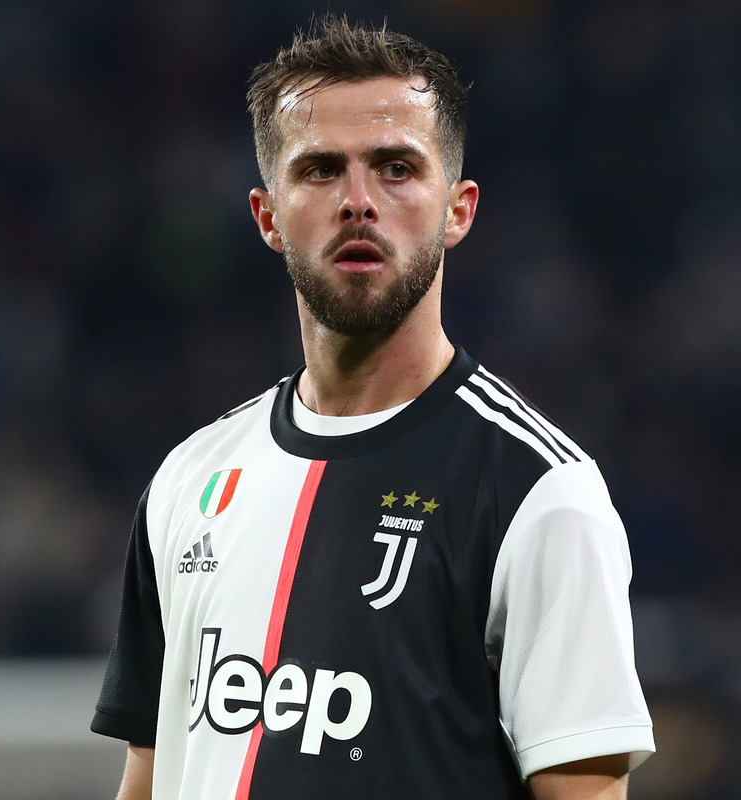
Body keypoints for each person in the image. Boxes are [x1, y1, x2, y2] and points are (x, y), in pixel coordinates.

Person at [90, 15, 654, 800]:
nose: (359, 201)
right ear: (267, 216)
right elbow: (151, 776)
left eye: (395, 167)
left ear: (457, 209)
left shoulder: (540, 493)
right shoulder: (190, 481)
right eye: (320, 170)